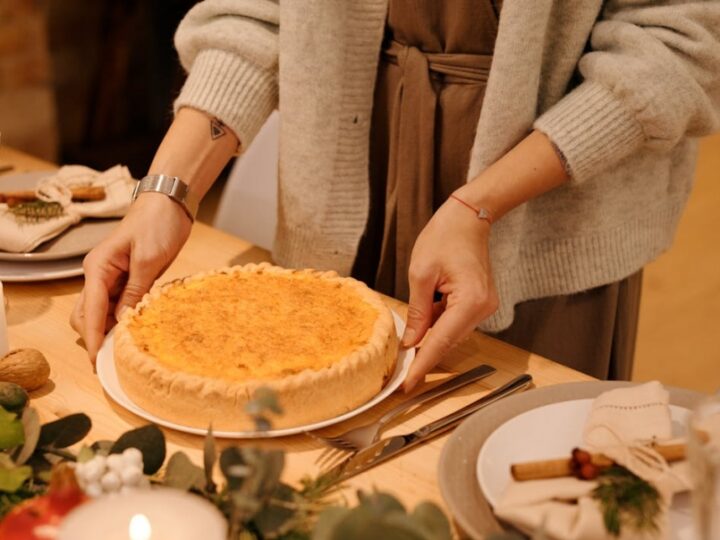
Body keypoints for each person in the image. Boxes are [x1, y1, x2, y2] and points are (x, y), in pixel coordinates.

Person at [71, 1, 720, 392]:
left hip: (551, 209)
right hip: (357, 168)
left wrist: (481, 204)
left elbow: (678, 39)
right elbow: (260, 11)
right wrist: (167, 192)